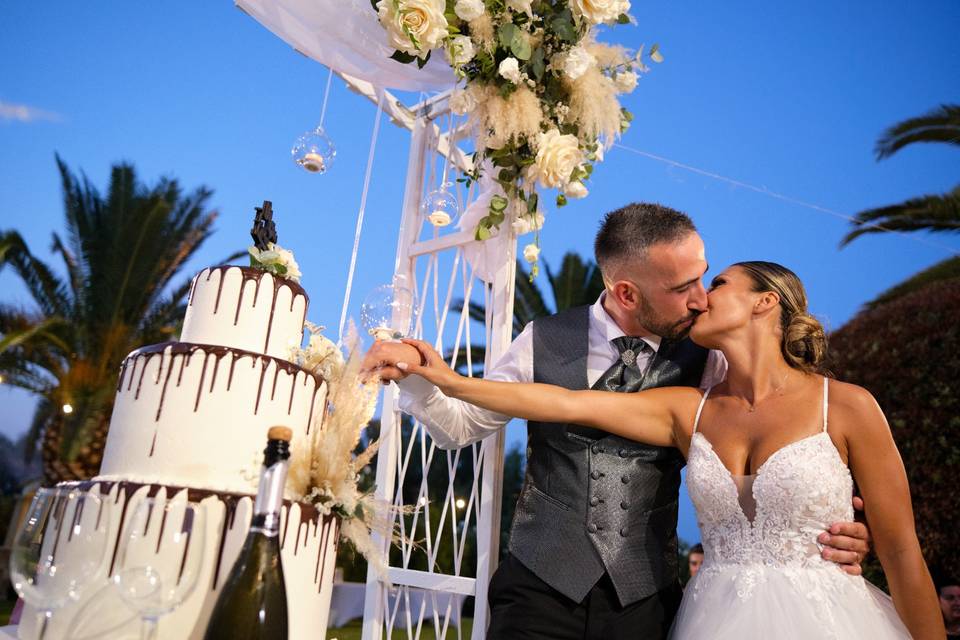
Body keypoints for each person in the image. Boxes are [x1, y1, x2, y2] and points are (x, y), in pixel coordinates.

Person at [364, 203, 871, 639]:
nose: (701, 298)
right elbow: (460, 427)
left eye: (704, 276)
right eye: (682, 286)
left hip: (646, 600)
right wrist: (414, 378)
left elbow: (778, 436)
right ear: (627, 293)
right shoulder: (544, 338)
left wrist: (833, 526)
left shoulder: (714, 357)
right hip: (537, 590)